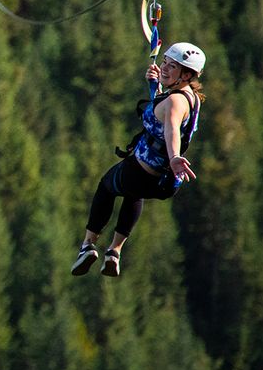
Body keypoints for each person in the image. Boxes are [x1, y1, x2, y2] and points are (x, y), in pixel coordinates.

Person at [72, 41, 206, 278]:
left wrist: (175, 156)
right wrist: (154, 85)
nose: (164, 68)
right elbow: (162, 113)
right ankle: (114, 252)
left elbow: (171, 129)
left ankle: (88, 246)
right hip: (163, 182)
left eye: (172, 67)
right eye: (164, 62)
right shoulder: (190, 99)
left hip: (139, 170)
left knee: (106, 186)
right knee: (134, 194)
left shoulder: (175, 102)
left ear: (186, 74)